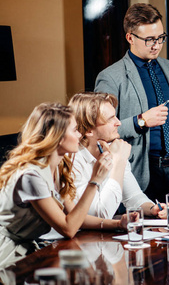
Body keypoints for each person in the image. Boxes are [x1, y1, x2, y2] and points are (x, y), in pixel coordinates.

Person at [0, 103, 128, 271]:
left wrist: (119, 224)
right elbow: (69, 228)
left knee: (92, 267)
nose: (80, 134)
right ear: (58, 137)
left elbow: (75, 216)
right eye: (75, 130)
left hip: (31, 249)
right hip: (7, 255)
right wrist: (94, 181)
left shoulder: (58, 166)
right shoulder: (31, 176)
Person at [95, 3, 169, 211]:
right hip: (137, 172)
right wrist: (140, 121)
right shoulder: (110, 77)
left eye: (160, 38)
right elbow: (100, 130)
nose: (157, 45)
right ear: (130, 38)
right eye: (149, 39)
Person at [69, 92, 167, 219]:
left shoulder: (112, 149)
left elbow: (133, 196)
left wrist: (152, 208)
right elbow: (100, 214)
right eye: (110, 119)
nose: (119, 123)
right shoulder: (72, 160)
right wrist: (118, 161)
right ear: (88, 130)